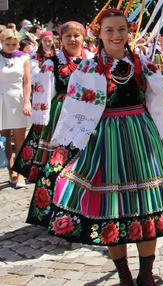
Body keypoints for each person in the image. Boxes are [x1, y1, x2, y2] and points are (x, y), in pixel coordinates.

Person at [46, 8, 163, 286]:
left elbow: (158, 104)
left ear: (129, 32)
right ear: (99, 34)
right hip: (106, 141)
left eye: (121, 30)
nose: (116, 35)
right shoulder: (88, 69)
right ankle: (125, 274)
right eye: (109, 31)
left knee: (146, 205)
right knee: (111, 209)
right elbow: (75, 110)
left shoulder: (145, 65)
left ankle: (146, 274)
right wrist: (67, 145)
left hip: (142, 138)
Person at [13, 21, 93, 227]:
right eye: (68, 37)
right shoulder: (52, 63)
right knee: (57, 164)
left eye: (77, 36)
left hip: (89, 115)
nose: (73, 40)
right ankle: (53, 211)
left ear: (84, 38)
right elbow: (43, 94)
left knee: (88, 164)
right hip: (62, 117)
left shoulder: (93, 60)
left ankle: (87, 209)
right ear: (61, 39)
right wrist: (42, 122)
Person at [0, 28, 32, 188]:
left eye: (14, 44)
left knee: (20, 139)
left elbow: (27, 82)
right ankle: (10, 170)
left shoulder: (23, 58)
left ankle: (20, 174)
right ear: (1, 42)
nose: (11, 47)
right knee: (4, 140)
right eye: (8, 44)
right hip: (1, 100)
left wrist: (26, 102)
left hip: (18, 98)